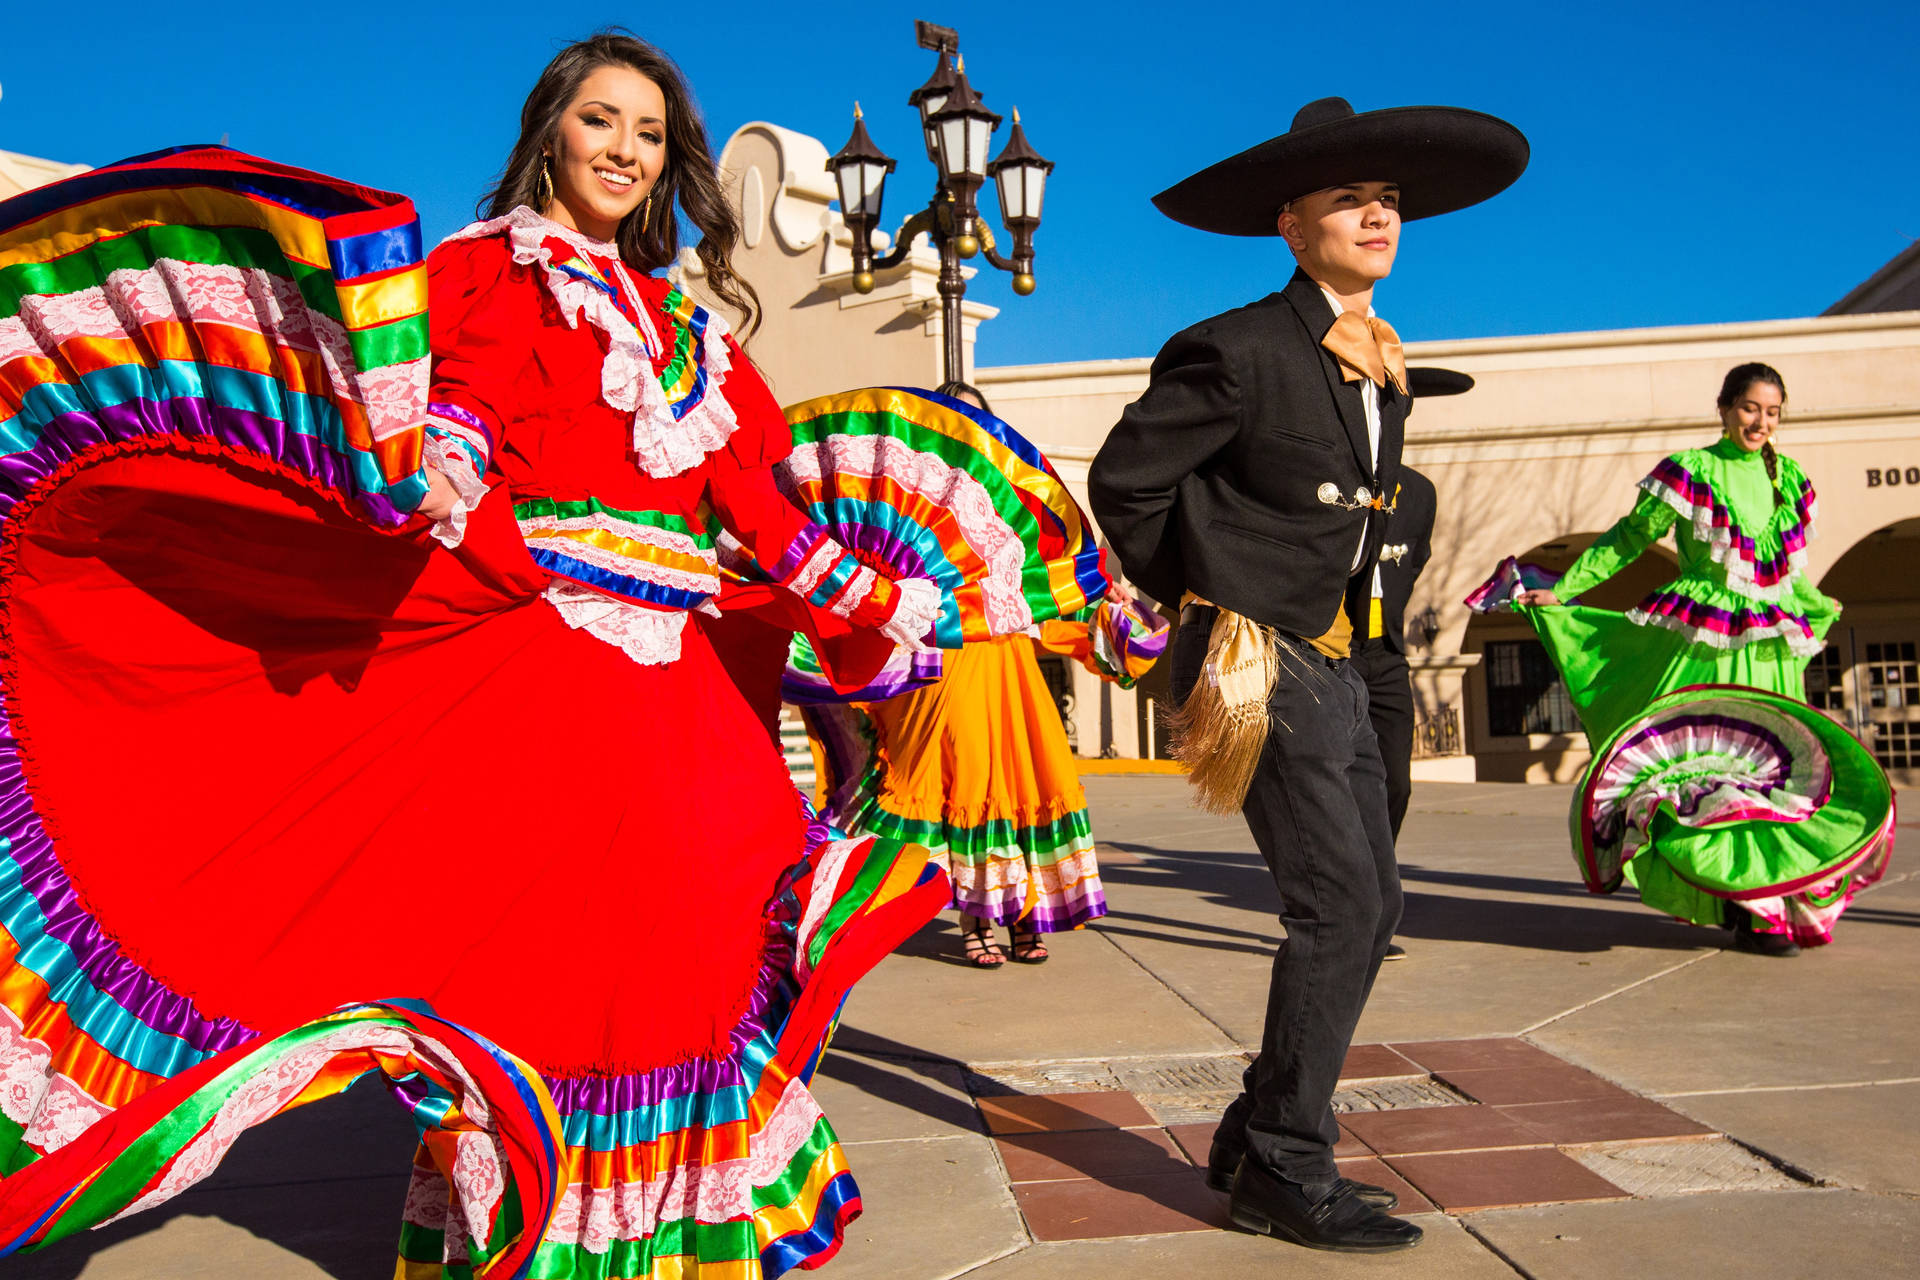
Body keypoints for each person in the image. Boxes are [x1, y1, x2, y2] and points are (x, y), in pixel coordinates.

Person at [0, 34, 992, 1277]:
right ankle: (548, 1232)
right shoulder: (494, 272)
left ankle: (673, 1235)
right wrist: (442, 471)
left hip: (684, 692)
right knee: (574, 967)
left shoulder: (693, 323)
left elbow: (759, 502)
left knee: (708, 937)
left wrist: (875, 599)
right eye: (599, 121)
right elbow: (457, 406)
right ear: (550, 135)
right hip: (556, 674)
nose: (624, 149)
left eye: (647, 129)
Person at [1090, 97, 1527, 1253]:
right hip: (1257, 653)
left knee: (1372, 903)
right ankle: (1286, 1161)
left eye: (1388, 200)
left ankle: (1253, 1126)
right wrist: (1214, 586)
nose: (1380, 213)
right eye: (1351, 200)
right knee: (1339, 908)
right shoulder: (1235, 347)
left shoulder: (1380, 364)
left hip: (1344, 663)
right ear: (1291, 226)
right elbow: (1125, 483)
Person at [1479, 362, 1892, 956]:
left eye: (1773, 412)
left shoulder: (1791, 480)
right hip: (1705, 642)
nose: (1761, 421)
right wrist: (1567, 590)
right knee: (1715, 772)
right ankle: (1745, 904)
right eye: (1751, 408)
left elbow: (1784, 575)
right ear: (1724, 408)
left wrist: (1817, 605)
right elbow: (1629, 538)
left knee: (1776, 775)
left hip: (1771, 649)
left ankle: (1766, 900)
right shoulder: (1693, 471)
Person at [799, 385, 1168, 968]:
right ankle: (976, 922)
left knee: (1025, 789)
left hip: (1013, 677)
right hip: (945, 676)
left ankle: (1026, 921)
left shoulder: (1005, 519)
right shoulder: (916, 519)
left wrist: (1105, 595)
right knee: (965, 791)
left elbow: (1058, 601)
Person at [1354, 367, 1468, 961]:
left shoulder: (1418, 493)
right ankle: (1355, 913)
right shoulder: (1331, 483)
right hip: (1330, 656)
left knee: (1394, 784)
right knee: (1341, 789)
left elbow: (1414, 560)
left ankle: (1368, 898)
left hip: (1386, 657)